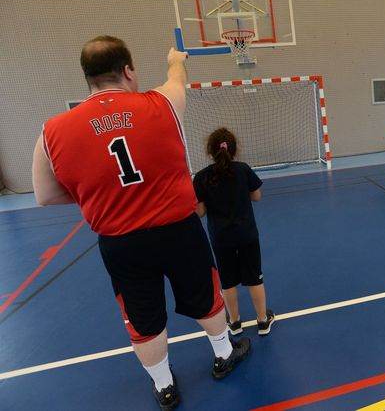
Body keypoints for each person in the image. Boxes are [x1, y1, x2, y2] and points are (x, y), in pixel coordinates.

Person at [31, 35, 251, 410]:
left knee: (143, 316)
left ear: (87, 77)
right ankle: (223, 353)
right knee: (205, 295)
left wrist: (100, 193)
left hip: (121, 242)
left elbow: (45, 196)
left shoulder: (51, 131)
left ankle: (165, 387)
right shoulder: (161, 103)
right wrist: (175, 59)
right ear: (128, 70)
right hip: (178, 229)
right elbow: (177, 78)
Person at [193, 128, 275, 337]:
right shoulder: (243, 169)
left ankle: (235, 322)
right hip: (246, 234)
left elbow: (200, 212)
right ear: (234, 149)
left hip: (221, 238)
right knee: (255, 278)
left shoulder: (202, 177)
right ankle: (262, 321)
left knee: (228, 281)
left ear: (210, 151)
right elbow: (256, 196)